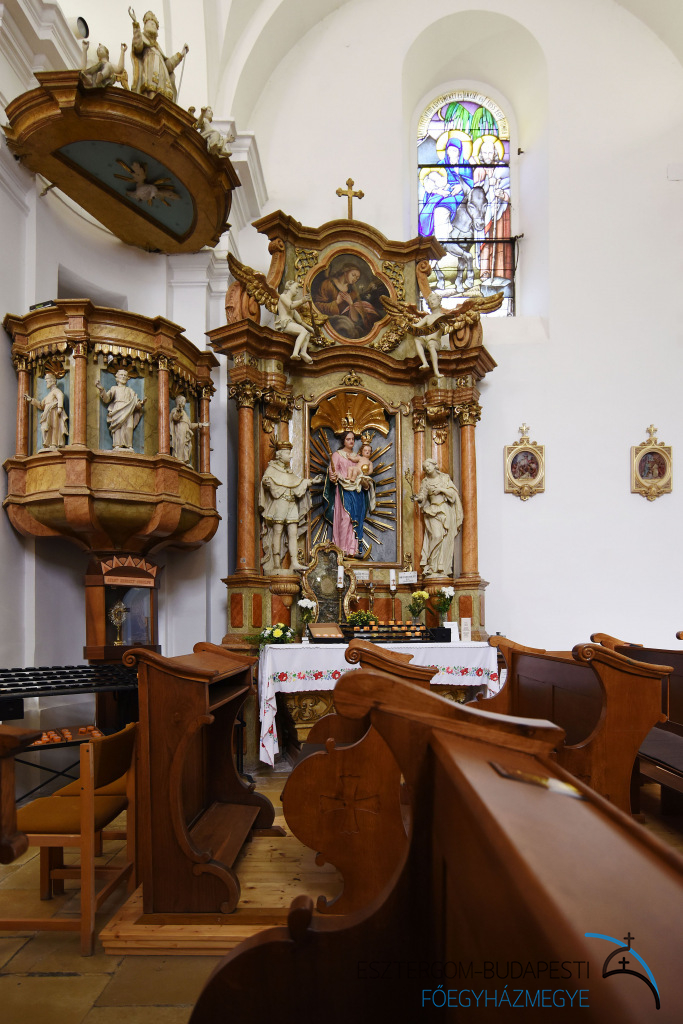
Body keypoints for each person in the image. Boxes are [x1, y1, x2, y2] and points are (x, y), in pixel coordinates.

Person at [259, 442, 321, 574]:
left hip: (292, 503)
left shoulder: (289, 471)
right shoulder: (272, 469)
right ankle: (276, 564)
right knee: (277, 531)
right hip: (280, 503)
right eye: (288, 453)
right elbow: (266, 481)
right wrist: (267, 483)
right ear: (280, 455)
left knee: (293, 532)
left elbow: (297, 483)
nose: (290, 456)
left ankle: (294, 562)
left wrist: (312, 481)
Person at [323, 431, 376, 557]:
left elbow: (364, 474)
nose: (351, 441)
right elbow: (332, 471)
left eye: (352, 439)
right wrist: (333, 476)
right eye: (348, 439)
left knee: (355, 519)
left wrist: (364, 482)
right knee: (345, 517)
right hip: (343, 489)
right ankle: (341, 548)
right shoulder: (337, 455)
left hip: (356, 491)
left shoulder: (358, 457)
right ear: (343, 441)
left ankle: (353, 549)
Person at [412, 459, 463, 576]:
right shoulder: (425, 482)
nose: (427, 468)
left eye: (428, 466)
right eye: (425, 467)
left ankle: (440, 566)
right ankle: (431, 563)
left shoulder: (444, 478)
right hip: (432, 511)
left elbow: (453, 495)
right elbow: (423, 496)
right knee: (437, 535)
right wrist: (418, 498)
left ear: (434, 465)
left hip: (445, 510)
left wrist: (441, 489)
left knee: (445, 538)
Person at [128, 8, 188, 103]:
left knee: (165, 101)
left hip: (163, 81)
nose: (153, 25)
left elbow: (168, 66)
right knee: (151, 95)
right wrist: (135, 24)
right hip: (150, 75)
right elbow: (137, 46)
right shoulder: (143, 40)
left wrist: (181, 54)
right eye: (151, 23)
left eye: (155, 25)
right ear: (145, 25)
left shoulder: (158, 48)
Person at [313, 263, 382, 339]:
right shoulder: (327, 284)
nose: (355, 279)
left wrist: (351, 304)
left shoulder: (353, 293)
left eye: (357, 278)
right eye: (353, 275)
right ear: (345, 271)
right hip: (328, 325)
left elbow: (355, 320)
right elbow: (317, 306)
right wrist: (337, 302)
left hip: (346, 325)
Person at [96, 368, 146, 450]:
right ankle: (117, 445)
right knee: (118, 427)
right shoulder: (114, 388)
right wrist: (102, 389)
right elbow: (107, 399)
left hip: (129, 410)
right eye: (121, 375)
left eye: (125, 375)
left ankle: (129, 445)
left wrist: (141, 403)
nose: (123, 377)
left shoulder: (130, 390)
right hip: (118, 408)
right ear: (117, 377)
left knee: (129, 427)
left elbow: (135, 404)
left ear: (127, 378)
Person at [25, 372, 68, 450]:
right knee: (44, 428)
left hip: (54, 412)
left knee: (54, 428)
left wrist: (60, 407)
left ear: (52, 381)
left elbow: (60, 396)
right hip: (47, 414)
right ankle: (48, 444)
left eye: (47, 380)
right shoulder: (48, 395)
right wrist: (31, 400)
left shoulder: (56, 391)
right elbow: (41, 405)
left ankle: (54, 444)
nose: (46, 382)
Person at [274, 280, 315, 363]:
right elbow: (290, 305)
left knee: (307, 333)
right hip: (284, 323)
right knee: (303, 331)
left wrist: (310, 328)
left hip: (289, 323)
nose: (297, 290)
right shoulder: (283, 296)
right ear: (289, 286)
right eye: (296, 288)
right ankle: (295, 353)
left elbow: (300, 321)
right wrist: (302, 301)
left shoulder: (293, 307)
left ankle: (303, 352)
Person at [170, 395, 208, 466]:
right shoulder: (175, 410)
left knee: (188, 445)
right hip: (180, 429)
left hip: (186, 431)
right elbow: (175, 418)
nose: (184, 403)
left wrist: (200, 424)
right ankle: (179, 459)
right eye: (183, 401)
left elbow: (190, 425)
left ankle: (184, 460)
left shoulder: (185, 413)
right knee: (181, 443)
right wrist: (179, 410)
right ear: (180, 402)